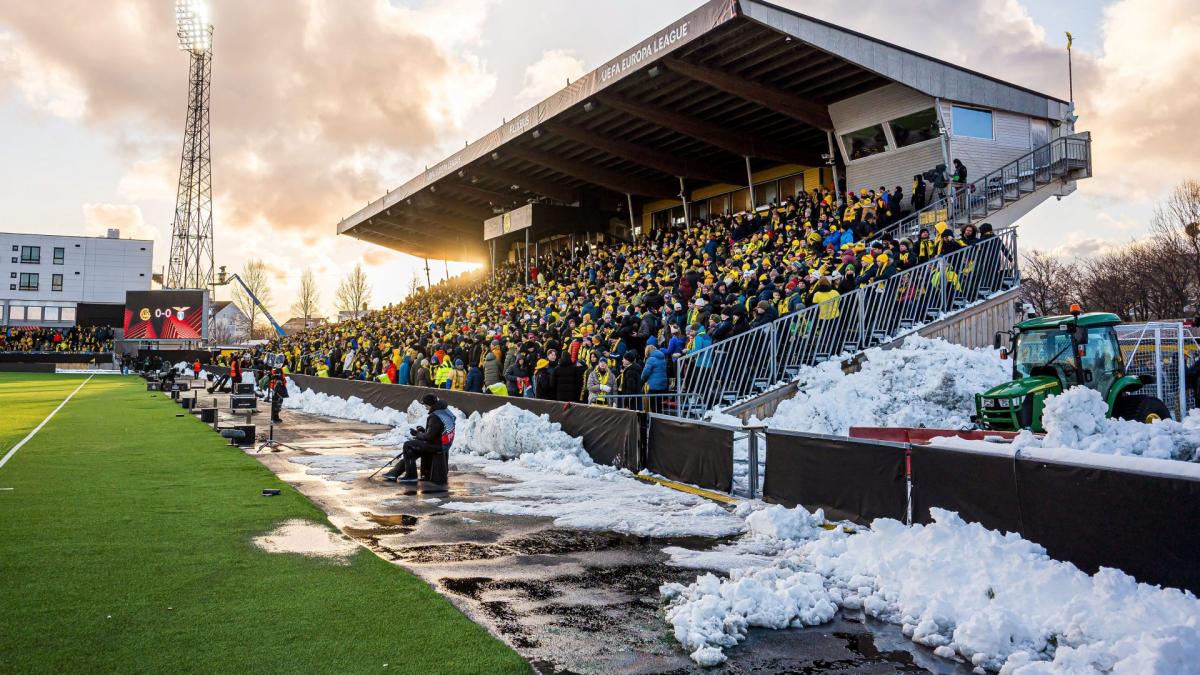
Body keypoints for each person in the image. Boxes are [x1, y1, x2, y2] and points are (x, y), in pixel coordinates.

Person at [382, 394, 453, 485]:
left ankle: (411, 476)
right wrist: (423, 431)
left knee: (408, 445)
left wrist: (417, 434)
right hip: (442, 443)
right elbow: (436, 432)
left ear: (430, 404)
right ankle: (395, 472)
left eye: (425, 405)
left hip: (438, 445)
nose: (425, 407)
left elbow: (429, 437)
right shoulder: (444, 411)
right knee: (414, 448)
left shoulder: (435, 416)